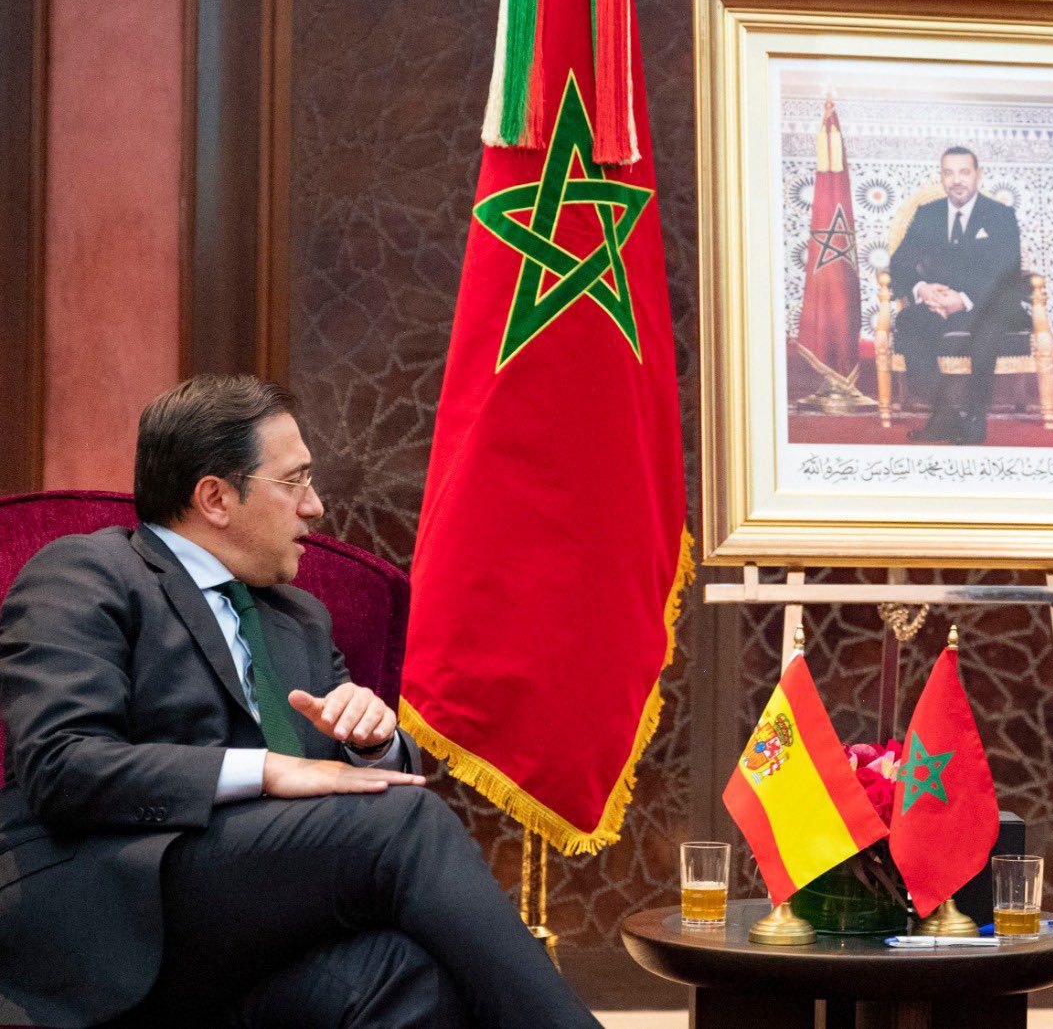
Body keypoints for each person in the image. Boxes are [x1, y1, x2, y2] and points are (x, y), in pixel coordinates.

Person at [0, 375, 602, 1028]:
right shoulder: (84, 573)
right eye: (295, 482)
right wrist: (263, 770)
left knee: (406, 975)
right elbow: (62, 766)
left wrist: (370, 743)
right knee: (406, 820)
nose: (314, 507)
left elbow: (336, 810)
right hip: (113, 903)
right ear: (216, 498)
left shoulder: (301, 619)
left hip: (251, 933)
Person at [887, 145, 1024, 444]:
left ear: (978, 175)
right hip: (938, 301)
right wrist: (922, 289)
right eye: (949, 173)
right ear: (942, 177)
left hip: (987, 301)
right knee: (910, 322)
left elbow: (1008, 270)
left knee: (987, 326)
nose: (956, 180)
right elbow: (899, 263)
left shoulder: (1000, 215)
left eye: (964, 172)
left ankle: (974, 417)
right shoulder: (928, 214)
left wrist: (962, 299)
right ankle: (945, 414)